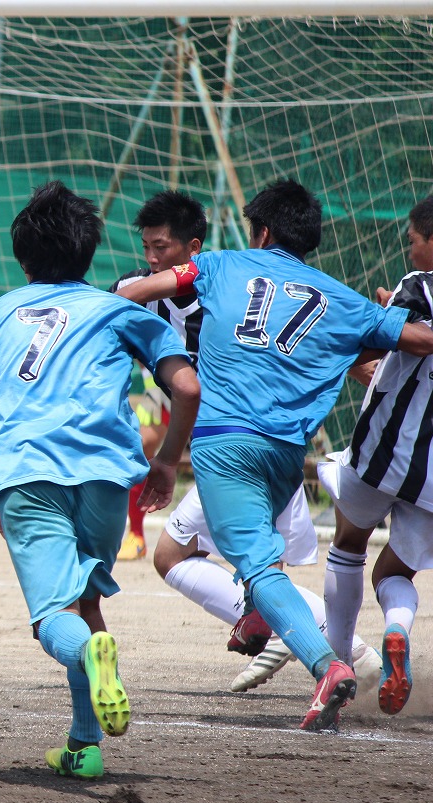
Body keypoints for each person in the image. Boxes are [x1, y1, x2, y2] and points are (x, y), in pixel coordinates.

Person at [115, 179, 433, 731]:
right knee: (254, 559)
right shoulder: (339, 297)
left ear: (260, 231)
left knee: (255, 565)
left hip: (225, 442)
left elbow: (140, 292)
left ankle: (329, 664)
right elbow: (417, 340)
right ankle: (264, 617)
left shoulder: (218, 266)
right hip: (287, 454)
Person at [0, 181, 200, 779]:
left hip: (27, 473)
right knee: (86, 600)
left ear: (21, 256)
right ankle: (84, 746)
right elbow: (187, 387)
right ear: (88, 253)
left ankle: (89, 655)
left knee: (53, 621)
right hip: (107, 477)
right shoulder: (121, 310)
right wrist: (166, 461)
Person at [321, 194, 433, 715]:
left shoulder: (420, 286)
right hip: (431, 477)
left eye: (413, 238)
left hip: (381, 452)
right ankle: (395, 630)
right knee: (394, 574)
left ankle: (336, 665)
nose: (408, 245)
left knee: (348, 542)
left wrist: (374, 334)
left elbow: (382, 337)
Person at [110, 190, 207, 560]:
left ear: (192, 246)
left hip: (220, 403)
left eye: (161, 247)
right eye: (146, 246)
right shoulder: (129, 289)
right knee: (136, 442)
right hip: (163, 392)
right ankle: (133, 535)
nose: (151, 258)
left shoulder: (220, 291)